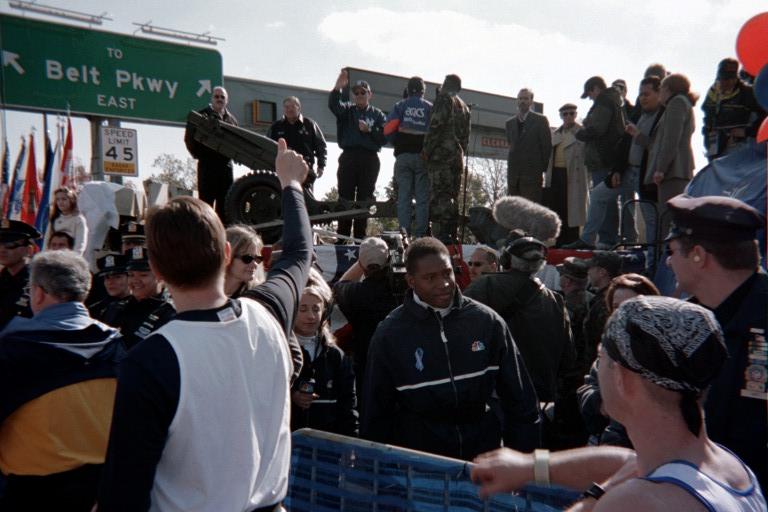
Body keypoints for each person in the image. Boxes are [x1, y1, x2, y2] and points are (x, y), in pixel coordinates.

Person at [97, 138, 312, 511]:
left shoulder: (149, 361)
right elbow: (299, 251)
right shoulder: (268, 313)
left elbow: (123, 496)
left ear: (158, 271)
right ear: (227, 254)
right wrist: (290, 184)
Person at [472, 296, 767, 512]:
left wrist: (596, 499)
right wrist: (529, 466)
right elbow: (627, 462)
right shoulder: (728, 466)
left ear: (624, 378)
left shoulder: (640, 503)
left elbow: (628, 476)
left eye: (601, 358)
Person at [361, 237, 540, 461]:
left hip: (482, 462)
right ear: (411, 281)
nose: (443, 283)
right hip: (420, 468)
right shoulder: (389, 334)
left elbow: (521, 401)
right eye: (430, 277)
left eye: (447, 273)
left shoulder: (487, 322)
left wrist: (524, 464)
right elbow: (375, 413)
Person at [0, 250, 122, 511]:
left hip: (31, 492)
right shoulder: (117, 348)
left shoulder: (13, 350)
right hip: (101, 489)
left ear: (39, 293)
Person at [664, 194, 767, 489]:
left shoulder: (760, 322)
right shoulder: (688, 321)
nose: (669, 262)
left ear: (699, 255)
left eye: (672, 251)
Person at [465, 230, 580, 449]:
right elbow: (569, 357)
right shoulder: (555, 300)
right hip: (539, 400)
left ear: (506, 260)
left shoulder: (485, 287)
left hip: (495, 397)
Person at [578, 273, 660, 449]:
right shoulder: (610, 346)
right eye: (616, 306)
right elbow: (588, 386)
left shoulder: (662, 351)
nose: (623, 312)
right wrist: (602, 403)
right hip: (603, 442)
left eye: (632, 305)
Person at [291, 268, 358, 436]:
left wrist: (350, 445)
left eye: (316, 309)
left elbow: (348, 404)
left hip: (327, 447)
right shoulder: (280, 350)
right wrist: (291, 396)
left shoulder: (335, 355)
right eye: (303, 309)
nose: (311, 316)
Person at [564, 76, 625, 250]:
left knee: (603, 199)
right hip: (606, 158)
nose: (590, 98)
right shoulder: (612, 102)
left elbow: (598, 129)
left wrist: (580, 133)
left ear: (595, 89)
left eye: (590, 94)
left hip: (603, 158)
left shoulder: (604, 102)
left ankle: (605, 239)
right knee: (607, 200)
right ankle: (607, 238)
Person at [333, 236, 399, 398]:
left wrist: (364, 260)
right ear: (389, 259)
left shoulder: (355, 294)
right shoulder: (403, 291)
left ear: (361, 264)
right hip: (400, 367)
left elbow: (340, 285)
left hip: (367, 368)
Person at [328, 70, 387, 242]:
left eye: (363, 92)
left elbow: (384, 137)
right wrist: (337, 89)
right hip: (349, 156)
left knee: (365, 198)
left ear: (370, 94)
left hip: (369, 158)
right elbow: (334, 106)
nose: (360, 95)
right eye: (357, 93)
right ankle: (342, 236)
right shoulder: (347, 110)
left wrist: (370, 131)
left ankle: (360, 237)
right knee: (345, 196)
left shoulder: (377, 114)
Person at [646, 74, 698, 238]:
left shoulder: (676, 103)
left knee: (669, 222)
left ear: (668, 89)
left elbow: (671, 140)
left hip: (673, 171)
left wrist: (660, 169)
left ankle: (667, 261)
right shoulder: (683, 103)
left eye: (661, 88)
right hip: (678, 170)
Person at [422, 74, 471, 244]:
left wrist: (426, 151)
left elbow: (436, 126)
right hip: (457, 159)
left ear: (444, 85)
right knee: (452, 197)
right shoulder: (465, 107)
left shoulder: (443, 99)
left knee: (438, 197)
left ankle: (440, 238)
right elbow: (465, 138)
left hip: (440, 158)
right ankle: (452, 235)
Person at [384, 76, 433, 237]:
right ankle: (420, 236)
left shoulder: (401, 106)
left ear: (408, 89)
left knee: (404, 198)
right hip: (422, 158)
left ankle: (404, 235)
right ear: (422, 91)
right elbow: (435, 133)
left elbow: (387, 130)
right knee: (422, 200)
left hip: (403, 157)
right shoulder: (429, 108)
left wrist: (397, 142)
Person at [100, 247, 175, 351]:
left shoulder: (170, 313)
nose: (135, 280)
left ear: (160, 277)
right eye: (131, 275)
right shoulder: (115, 308)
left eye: (143, 275)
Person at [184, 86, 239, 220]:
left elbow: (237, 143)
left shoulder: (232, 120)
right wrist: (200, 155)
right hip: (207, 167)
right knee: (205, 207)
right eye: (216, 96)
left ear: (227, 100)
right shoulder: (201, 116)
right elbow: (189, 139)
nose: (219, 99)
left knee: (224, 207)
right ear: (212, 98)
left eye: (222, 97)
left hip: (225, 168)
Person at [624, 76, 664, 256]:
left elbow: (656, 146)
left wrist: (637, 134)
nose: (643, 98)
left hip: (647, 174)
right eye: (640, 95)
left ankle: (652, 258)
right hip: (631, 171)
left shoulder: (661, 116)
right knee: (601, 196)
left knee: (651, 219)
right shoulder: (642, 114)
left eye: (647, 94)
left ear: (659, 93)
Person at [702, 58, 766, 161]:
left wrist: (746, 132)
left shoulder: (748, 92)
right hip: (717, 149)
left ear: (736, 77)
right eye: (724, 78)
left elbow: (764, 118)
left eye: (731, 78)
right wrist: (708, 144)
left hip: (741, 147)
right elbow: (707, 121)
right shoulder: (712, 94)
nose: (727, 82)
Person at [546, 103, 587, 246]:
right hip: (556, 174)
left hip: (574, 176)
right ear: (561, 116)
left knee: (573, 210)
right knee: (558, 208)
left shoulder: (582, 132)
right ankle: (559, 239)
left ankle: (573, 240)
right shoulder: (556, 133)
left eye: (571, 113)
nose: (568, 116)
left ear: (576, 115)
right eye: (565, 114)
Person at [267, 96, 327, 191]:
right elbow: (267, 146)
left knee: (305, 200)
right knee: (282, 198)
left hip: (305, 169)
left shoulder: (310, 124)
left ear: (299, 107)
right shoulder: (276, 126)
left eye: (292, 106)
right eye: (287, 107)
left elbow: (321, 146)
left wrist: (321, 166)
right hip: (283, 170)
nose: (289, 109)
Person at [506, 88, 553, 204]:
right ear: (517, 101)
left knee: (530, 212)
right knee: (514, 212)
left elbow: (546, 147)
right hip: (513, 178)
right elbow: (511, 146)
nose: (523, 101)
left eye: (526, 98)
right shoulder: (509, 123)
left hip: (532, 177)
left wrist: (539, 169)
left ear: (531, 101)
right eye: (520, 98)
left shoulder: (540, 120)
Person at [582, 250, 622, 371]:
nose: (588, 272)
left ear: (602, 272)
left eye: (591, 268)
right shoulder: (608, 296)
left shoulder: (608, 300)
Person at [0, 219, 40, 331]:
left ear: (29, 250)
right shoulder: (3, 279)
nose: (2, 249)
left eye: (10, 244)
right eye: (0, 244)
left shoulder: (38, 284)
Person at [555, 257, 593, 376]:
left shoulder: (564, 306)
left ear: (567, 281)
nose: (559, 277)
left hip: (571, 370)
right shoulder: (593, 299)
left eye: (561, 274)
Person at [224, 225, 265, 297]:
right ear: (227, 256)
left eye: (258, 259)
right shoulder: (202, 291)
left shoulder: (255, 296)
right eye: (247, 258)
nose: (255, 264)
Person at [45, 187, 88, 255]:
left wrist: (73, 259)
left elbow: (80, 244)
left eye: (64, 199)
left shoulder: (78, 219)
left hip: (70, 257)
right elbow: (47, 241)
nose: (60, 202)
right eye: (58, 199)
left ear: (72, 200)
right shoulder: (54, 219)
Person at [88, 253, 130, 322]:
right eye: (107, 277)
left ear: (129, 277)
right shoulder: (95, 309)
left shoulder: (138, 307)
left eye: (117, 277)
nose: (110, 282)